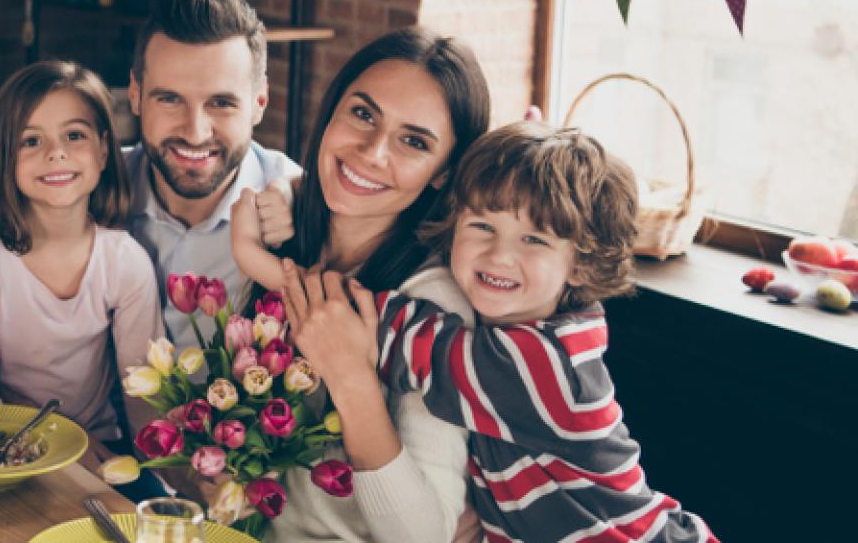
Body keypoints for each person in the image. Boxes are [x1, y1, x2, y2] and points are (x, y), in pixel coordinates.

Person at [284, 122, 716, 543]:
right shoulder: (525, 331)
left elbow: (365, 327)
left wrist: (265, 264)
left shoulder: (545, 366)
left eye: (535, 240)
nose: (499, 255)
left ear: (582, 265)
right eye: (483, 227)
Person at [229, 29, 492, 543]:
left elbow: (426, 535)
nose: (372, 152)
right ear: (331, 113)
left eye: (414, 142)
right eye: (363, 114)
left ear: (443, 173)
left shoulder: (433, 309)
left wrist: (351, 379)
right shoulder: (285, 238)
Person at [0, 61, 163, 444]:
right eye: (31, 141)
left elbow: (144, 396)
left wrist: (166, 478)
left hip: (100, 450)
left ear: (104, 151)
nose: (55, 153)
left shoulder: (124, 261)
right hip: (4, 447)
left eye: (74, 135)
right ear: (4, 160)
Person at [122, 0, 303, 344]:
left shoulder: (306, 203)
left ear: (259, 103)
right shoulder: (88, 188)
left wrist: (298, 196)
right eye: (170, 99)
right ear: (135, 95)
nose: (195, 132)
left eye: (221, 103)